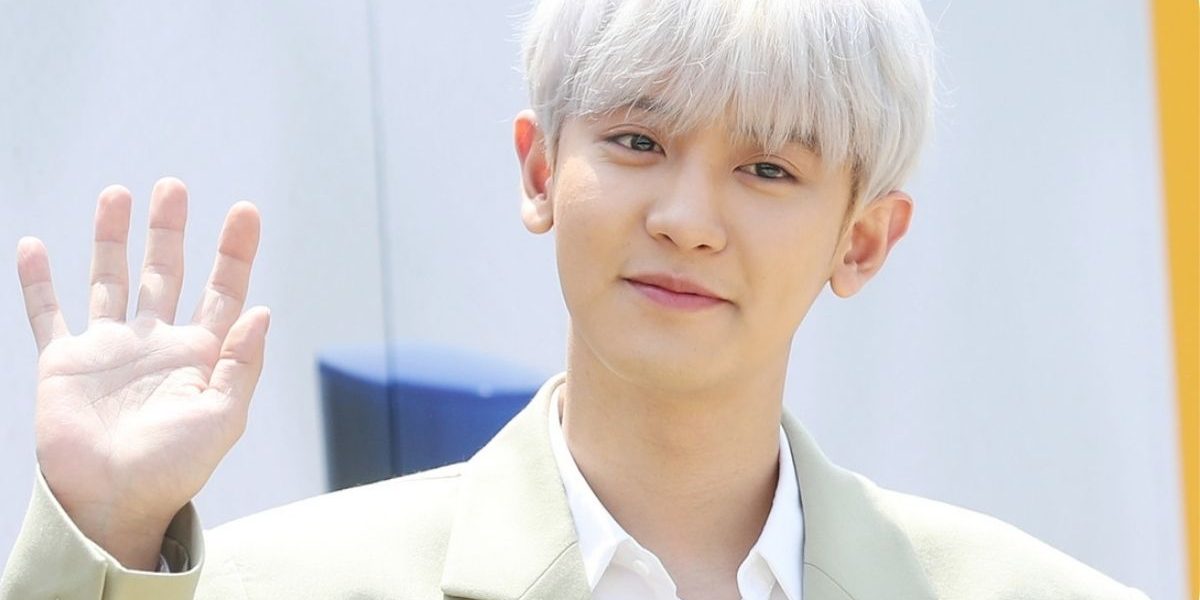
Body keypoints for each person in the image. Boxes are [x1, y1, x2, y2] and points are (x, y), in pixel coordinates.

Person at [1, 0, 1151, 598]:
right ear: (542, 170)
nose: (687, 217)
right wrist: (102, 534)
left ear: (864, 238)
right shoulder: (269, 590)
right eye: (639, 140)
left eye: (767, 168)